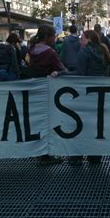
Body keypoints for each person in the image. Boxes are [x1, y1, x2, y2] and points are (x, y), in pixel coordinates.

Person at [57, 30, 109, 166]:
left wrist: (61, 73)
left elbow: (80, 74)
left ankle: (76, 156)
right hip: (98, 94)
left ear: (88, 40)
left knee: (78, 125)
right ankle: (95, 155)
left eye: (82, 39)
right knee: (95, 126)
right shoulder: (102, 51)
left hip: (84, 94)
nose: (80, 41)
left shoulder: (84, 52)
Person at [28, 25, 65, 165]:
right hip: (49, 92)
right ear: (47, 37)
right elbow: (62, 69)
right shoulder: (50, 53)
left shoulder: (31, 50)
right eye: (53, 35)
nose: (54, 38)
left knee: (38, 122)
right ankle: (46, 155)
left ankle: (39, 152)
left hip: (34, 90)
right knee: (49, 122)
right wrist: (60, 73)